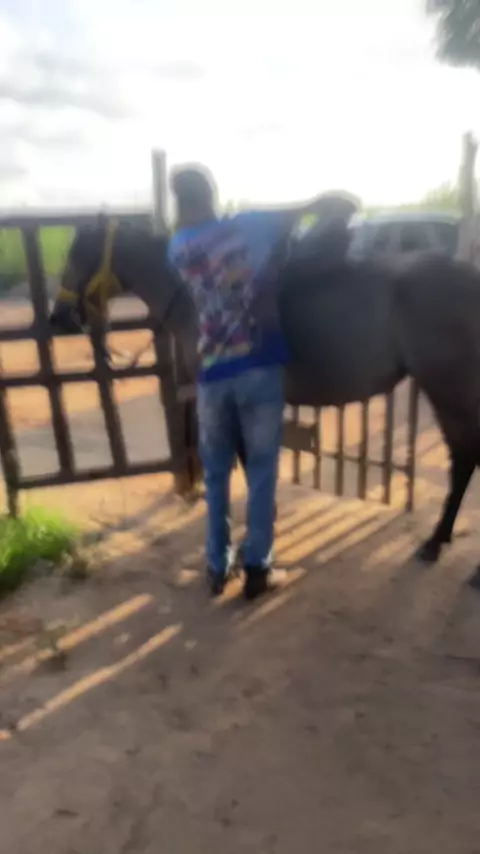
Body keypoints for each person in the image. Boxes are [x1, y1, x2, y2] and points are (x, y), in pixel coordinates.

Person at [168, 164, 333, 600]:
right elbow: (295, 216)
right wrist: (320, 203)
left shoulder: (177, 247)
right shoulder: (247, 227)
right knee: (260, 472)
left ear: (178, 201)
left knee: (216, 475)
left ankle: (215, 565)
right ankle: (257, 568)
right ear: (212, 193)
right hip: (258, 366)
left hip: (212, 373)